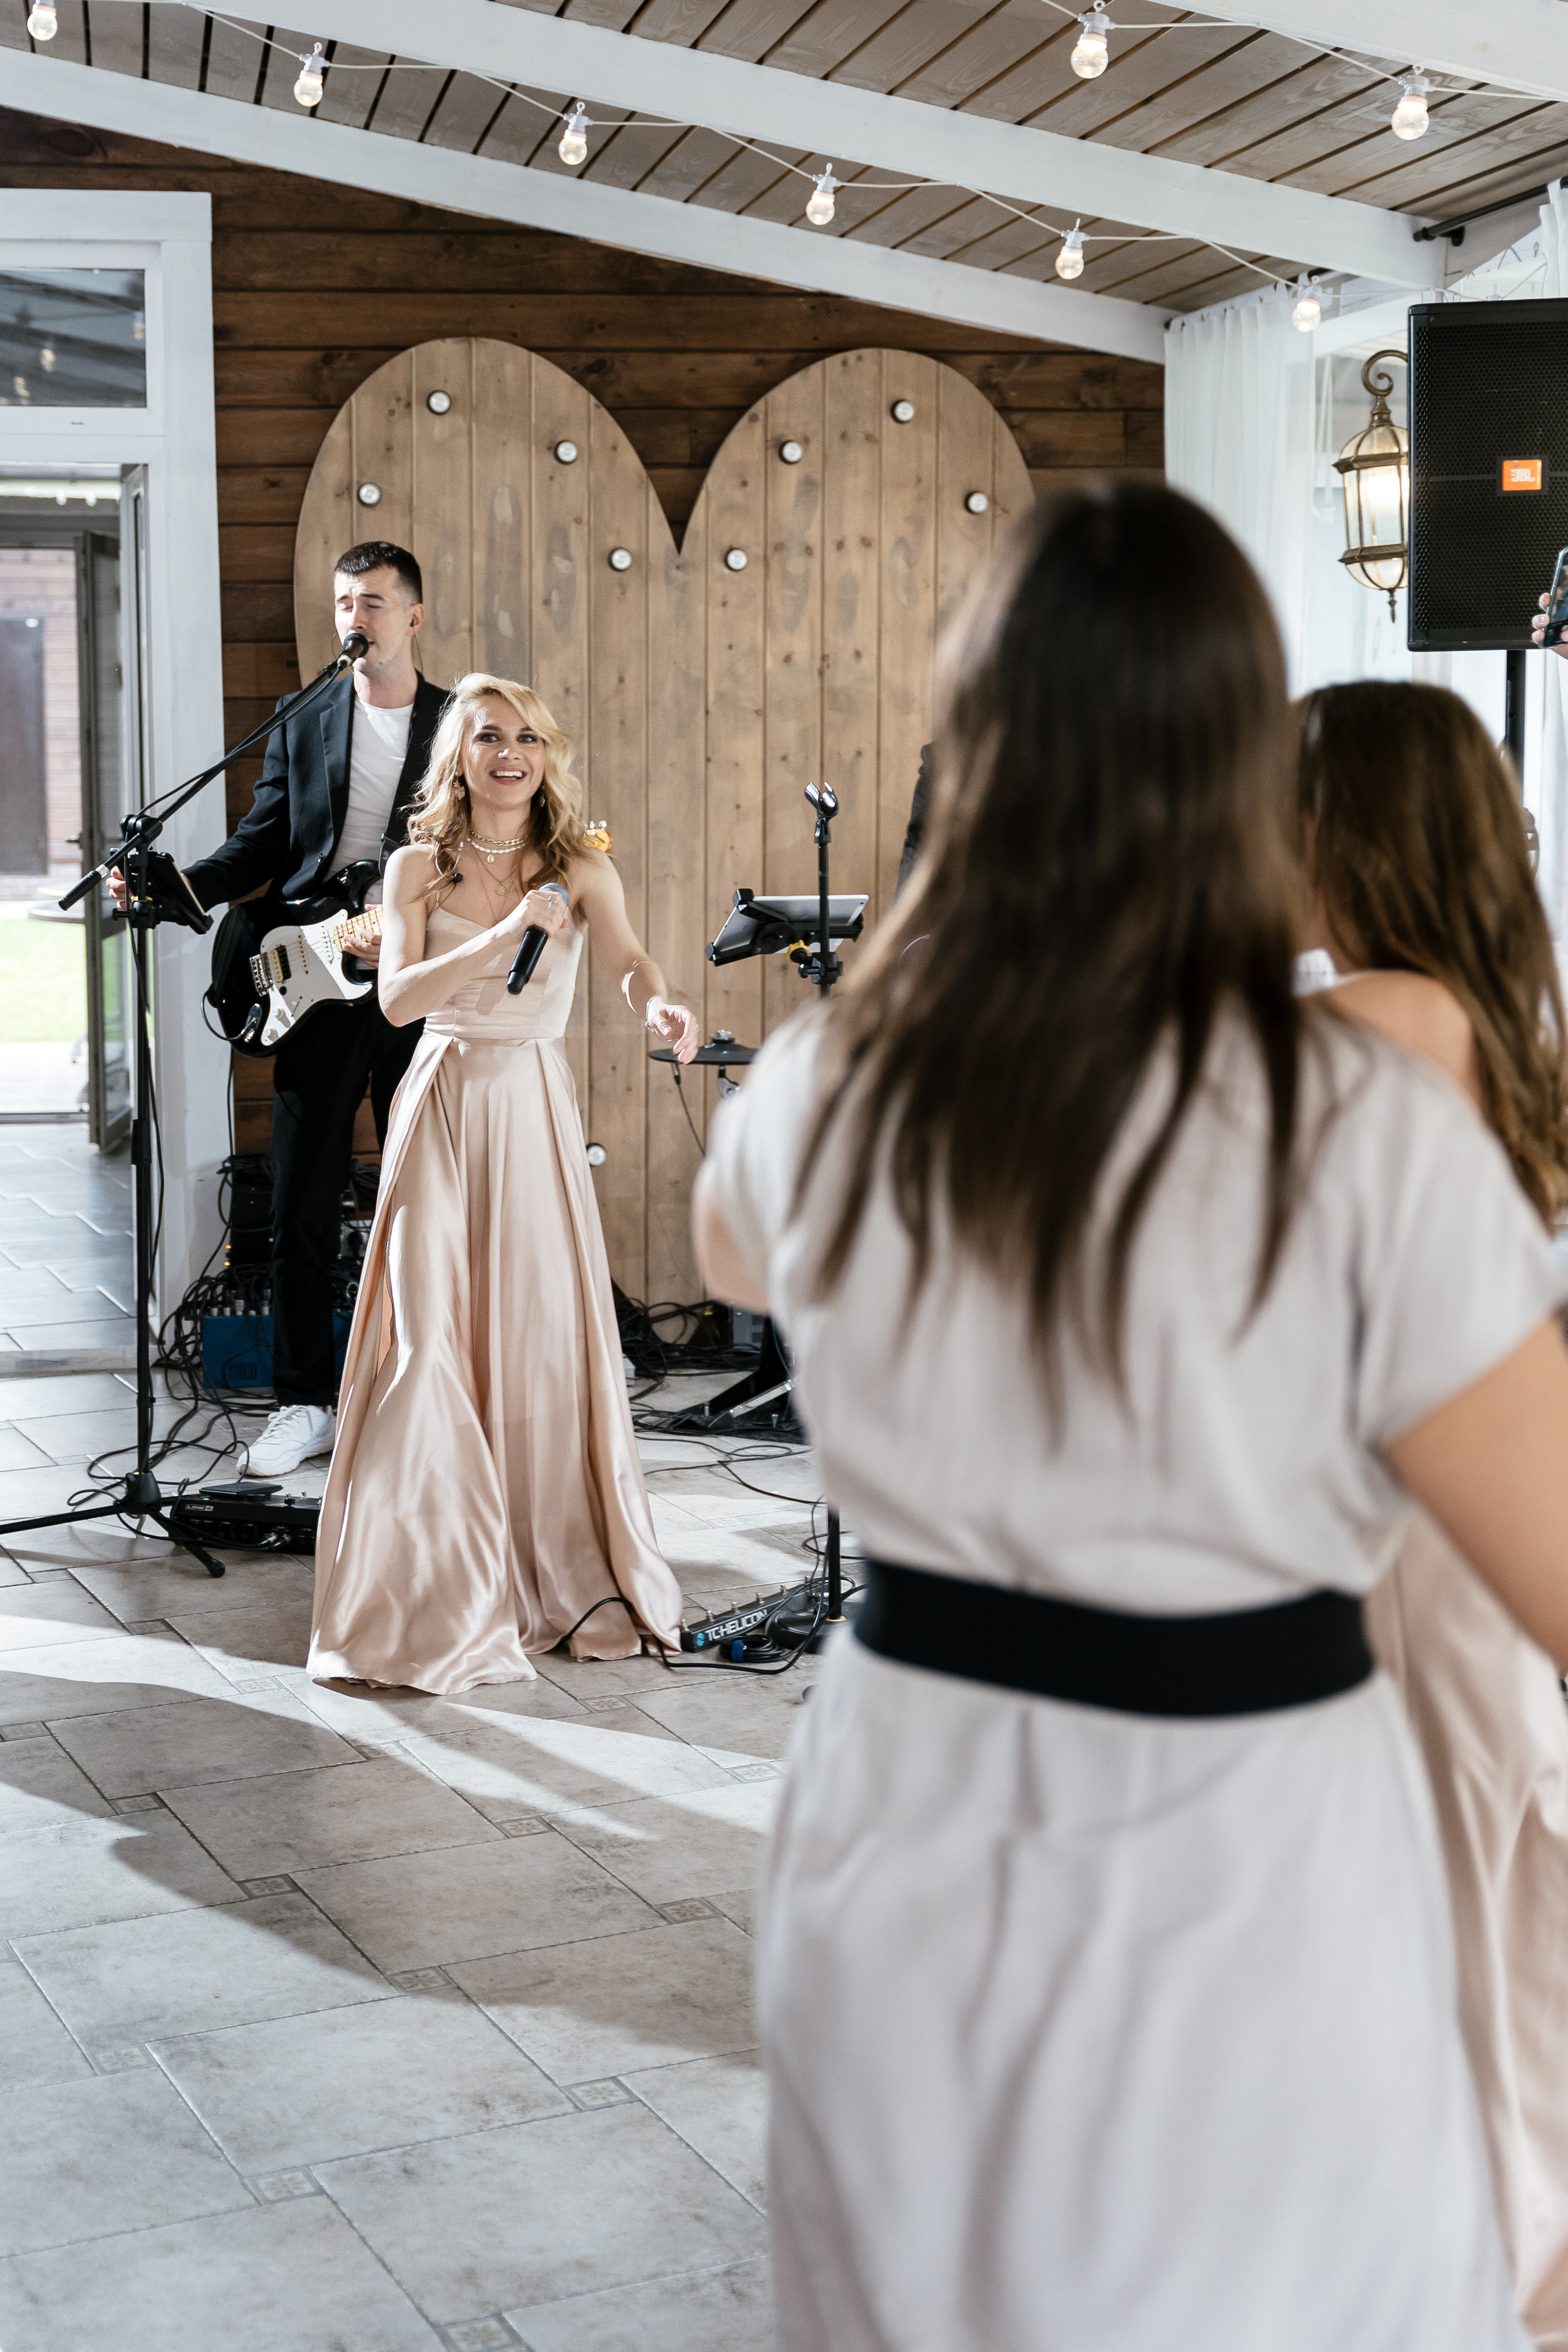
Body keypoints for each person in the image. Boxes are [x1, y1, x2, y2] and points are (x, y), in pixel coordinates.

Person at [693, 481, 1568, 2352]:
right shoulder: (1360, 1134)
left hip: (900, 1803)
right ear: (1243, 764)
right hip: (1235, 1847)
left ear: (982, 750)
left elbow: (733, 1251)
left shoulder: (836, 1082)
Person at [1295, 679, 1568, 2346]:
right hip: (1451, 1540)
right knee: (1482, 1929)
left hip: (1390, 1552)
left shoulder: (1370, 1021)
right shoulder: (1487, 1018)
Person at [309, 674, 696, 1694]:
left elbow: (629, 960)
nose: (509, 753)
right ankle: (432, 1586)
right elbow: (396, 1002)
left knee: (532, 1338)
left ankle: (549, 1564)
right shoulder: (414, 867)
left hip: (528, 1101)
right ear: (460, 755)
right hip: (439, 1098)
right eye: (488, 736)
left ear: (546, 754)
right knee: (425, 1335)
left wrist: (660, 1006)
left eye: (527, 737)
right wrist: (497, 935)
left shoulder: (579, 866)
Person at [111, 541, 449, 1479]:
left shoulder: (462, 721)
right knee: (303, 1196)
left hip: (418, 983)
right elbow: (263, 836)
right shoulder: (303, 715)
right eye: (345, 601)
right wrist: (181, 887)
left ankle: (425, 1395)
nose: (356, 617)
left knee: (425, 1195)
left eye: (375, 602)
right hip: (320, 978)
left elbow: (487, 853)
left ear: (412, 618)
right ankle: (307, 1402)